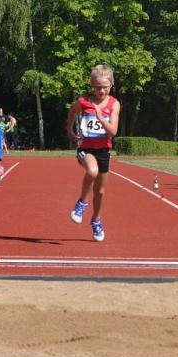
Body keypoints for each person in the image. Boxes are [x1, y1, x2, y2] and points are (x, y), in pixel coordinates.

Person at [67, 65, 120, 243]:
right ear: (92, 85)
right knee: (92, 171)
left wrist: (101, 118)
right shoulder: (84, 101)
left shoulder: (114, 104)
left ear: (111, 84)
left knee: (100, 192)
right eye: (98, 87)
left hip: (103, 150)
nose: (101, 91)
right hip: (86, 149)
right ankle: (81, 203)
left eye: (105, 87)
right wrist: (69, 130)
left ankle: (96, 220)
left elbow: (113, 131)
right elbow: (72, 111)